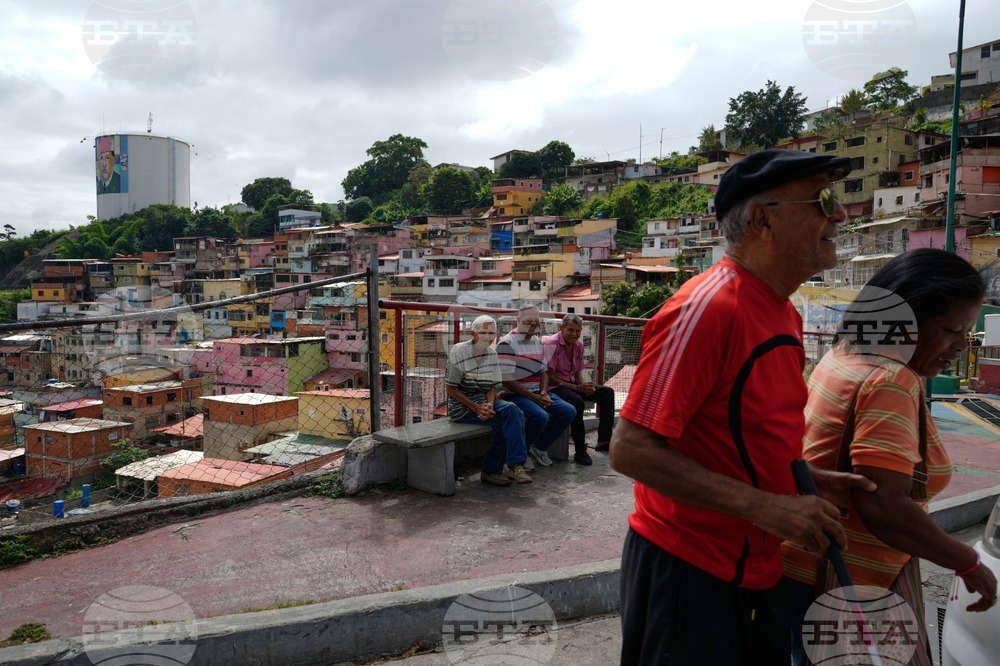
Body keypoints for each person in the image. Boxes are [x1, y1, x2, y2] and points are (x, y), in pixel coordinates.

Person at [609, 149, 877, 665]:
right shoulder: (707, 309)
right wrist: (771, 507)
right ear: (763, 220)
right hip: (688, 573)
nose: (840, 215)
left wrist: (805, 482)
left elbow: (738, 433)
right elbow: (631, 449)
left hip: (757, 568)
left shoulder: (781, 309)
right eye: (823, 200)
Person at [781, 249, 997, 665]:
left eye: (966, 335)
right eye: (952, 331)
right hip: (843, 584)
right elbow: (882, 503)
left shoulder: (842, 355)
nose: (958, 347)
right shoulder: (891, 378)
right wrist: (968, 563)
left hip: (801, 568)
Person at [445, 314, 532, 486]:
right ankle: (493, 470)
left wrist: (489, 405)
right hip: (462, 407)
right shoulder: (459, 351)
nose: (487, 337)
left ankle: (516, 465)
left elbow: (493, 386)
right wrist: (477, 408)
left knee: (513, 410)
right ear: (473, 333)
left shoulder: (492, 355)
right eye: (483, 332)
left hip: (484, 404)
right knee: (506, 424)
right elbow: (451, 388)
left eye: (491, 333)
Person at [497, 304, 576, 469]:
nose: (533, 324)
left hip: (535, 392)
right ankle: (522, 452)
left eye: (536, 321)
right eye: (528, 321)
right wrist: (533, 397)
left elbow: (544, 372)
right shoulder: (507, 343)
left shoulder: (537, 341)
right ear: (518, 321)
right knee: (540, 416)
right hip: (514, 394)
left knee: (569, 411)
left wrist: (543, 392)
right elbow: (505, 379)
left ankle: (539, 446)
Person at [543, 313, 616, 465]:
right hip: (555, 387)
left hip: (572, 385)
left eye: (578, 331)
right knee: (577, 402)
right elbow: (549, 377)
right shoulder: (551, 344)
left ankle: (604, 440)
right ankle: (580, 450)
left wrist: (585, 387)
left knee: (607, 393)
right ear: (561, 328)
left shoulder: (578, 346)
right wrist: (577, 388)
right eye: (570, 330)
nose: (574, 334)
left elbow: (577, 373)